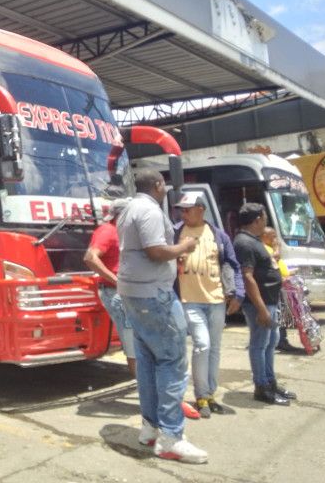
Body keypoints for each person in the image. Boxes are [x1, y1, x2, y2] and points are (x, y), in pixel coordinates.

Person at [116, 170, 207, 464]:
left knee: (147, 361)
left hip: (134, 293)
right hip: (154, 295)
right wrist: (184, 247)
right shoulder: (150, 211)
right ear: (157, 186)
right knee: (171, 361)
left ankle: (150, 428)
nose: (165, 190)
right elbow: (155, 251)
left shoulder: (128, 209)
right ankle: (170, 438)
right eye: (164, 186)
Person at [173, 191, 243, 418]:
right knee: (202, 345)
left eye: (187, 209)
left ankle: (208, 395)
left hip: (216, 301)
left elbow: (233, 265)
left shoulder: (218, 235)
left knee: (214, 348)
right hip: (189, 300)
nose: (183, 214)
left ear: (201, 210)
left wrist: (238, 294)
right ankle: (201, 394)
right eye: (181, 210)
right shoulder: (175, 233)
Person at [233, 203, 296, 406]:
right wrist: (260, 308)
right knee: (259, 345)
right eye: (264, 218)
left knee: (270, 343)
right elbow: (248, 277)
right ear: (257, 219)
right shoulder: (244, 242)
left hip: (269, 300)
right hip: (259, 304)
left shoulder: (253, 240)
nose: (265, 222)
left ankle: (270, 382)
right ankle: (261, 387)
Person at [85, 199, 135, 375]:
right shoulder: (107, 231)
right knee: (133, 343)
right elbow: (91, 257)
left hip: (127, 292)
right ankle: (145, 391)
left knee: (137, 340)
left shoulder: (124, 232)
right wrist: (117, 280)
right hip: (117, 293)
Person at [261, 227, 298, 353]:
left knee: (280, 315)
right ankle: (279, 341)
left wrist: (290, 273)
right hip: (272, 289)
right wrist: (277, 248)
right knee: (277, 315)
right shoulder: (264, 248)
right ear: (264, 236)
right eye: (273, 236)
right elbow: (273, 262)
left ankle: (279, 340)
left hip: (281, 285)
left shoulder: (270, 248)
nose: (275, 239)